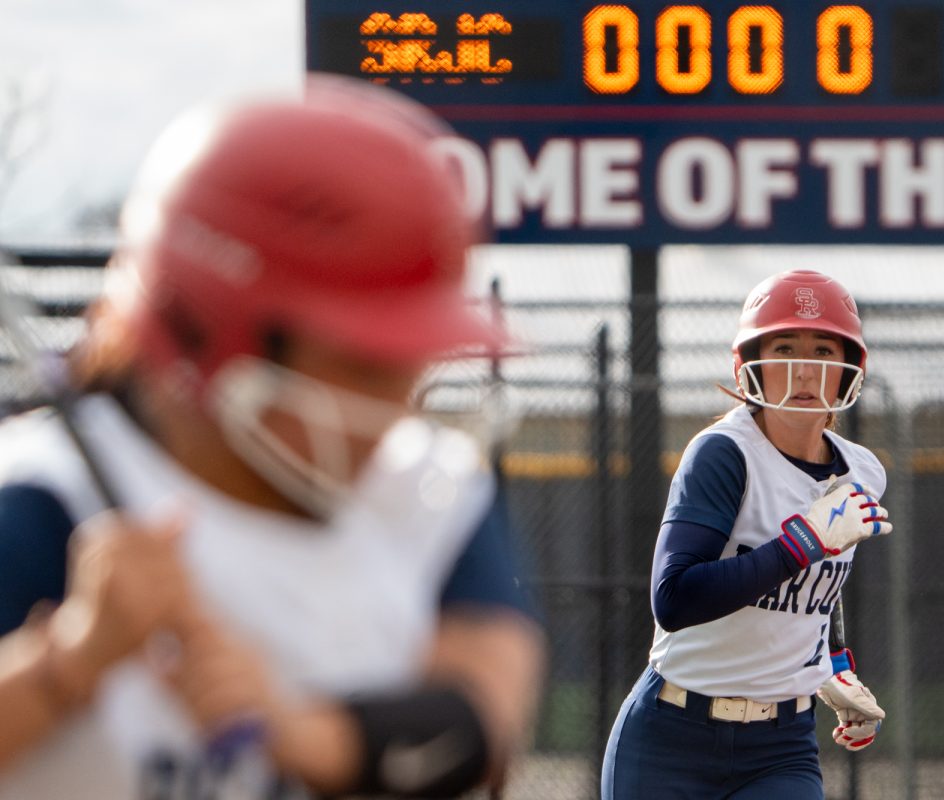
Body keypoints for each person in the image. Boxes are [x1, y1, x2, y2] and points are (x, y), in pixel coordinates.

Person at [0, 73, 544, 799]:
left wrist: (297, 732)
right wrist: (68, 663)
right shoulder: (40, 503)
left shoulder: (429, 489)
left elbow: (483, 728)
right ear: (203, 334)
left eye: (410, 367)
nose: (396, 411)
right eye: (363, 364)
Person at [601, 269, 893, 799]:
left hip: (781, 747)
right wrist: (800, 543)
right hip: (672, 736)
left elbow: (822, 585)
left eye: (824, 351)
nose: (805, 370)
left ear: (849, 368)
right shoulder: (723, 453)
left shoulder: (863, 471)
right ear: (748, 366)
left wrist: (836, 666)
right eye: (784, 348)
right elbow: (674, 598)